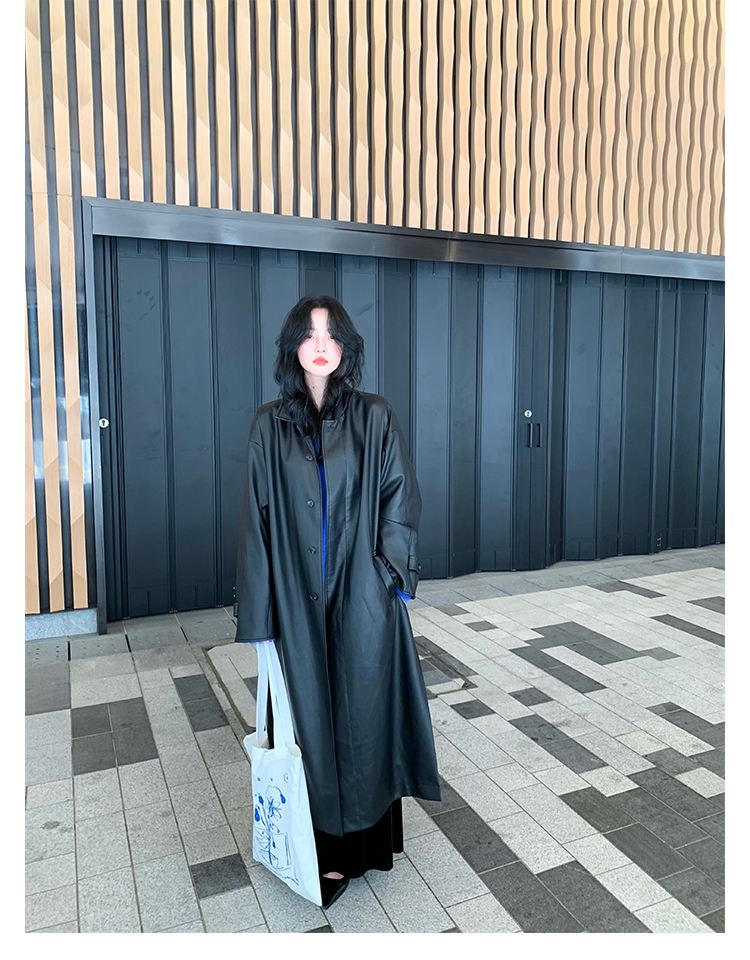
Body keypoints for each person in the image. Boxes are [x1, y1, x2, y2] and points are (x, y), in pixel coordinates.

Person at [234, 295, 441, 908]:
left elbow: (399, 497)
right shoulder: (269, 424)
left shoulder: (374, 416)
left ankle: (366, 847)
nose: (320, 345)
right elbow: (256, 522)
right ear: (293, 347)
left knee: (364, 723)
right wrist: (261, 614)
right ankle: (320, 851)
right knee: (310, 726)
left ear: (347, 347)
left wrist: (386, 576)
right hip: (296, 604)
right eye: (309, 334)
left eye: (331, 334)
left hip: (363, 601)